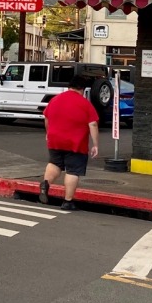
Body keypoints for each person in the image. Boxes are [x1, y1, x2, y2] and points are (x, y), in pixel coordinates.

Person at [39, 74, 100, 211]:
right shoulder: (85, 103)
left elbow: (46, 117)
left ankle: (46, 183)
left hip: (55, 140)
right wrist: (95, 144)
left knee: (55, 163)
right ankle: (67, 201)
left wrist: (48, 133)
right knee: (73, 170)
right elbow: (93, 124)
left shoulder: (55, 100)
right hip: (75, 143)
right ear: (82, 89)